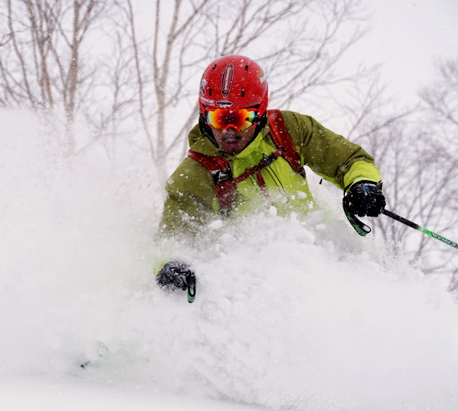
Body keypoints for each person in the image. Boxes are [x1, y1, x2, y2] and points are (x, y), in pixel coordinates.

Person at [155, 55, 386, 299]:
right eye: (219, 118)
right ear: (204, 114)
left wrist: (363, 185)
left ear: (260, 111)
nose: (228, 131)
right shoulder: (195, 175)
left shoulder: (288, 130)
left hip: (324, 264)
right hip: (260, 291)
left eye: (240, 119)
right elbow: (172, 241)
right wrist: (173, 266)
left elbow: (349, 160)